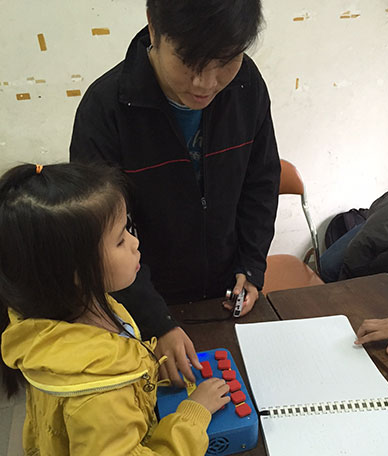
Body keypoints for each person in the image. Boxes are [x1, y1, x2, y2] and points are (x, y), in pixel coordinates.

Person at [0, 162, 230, 456]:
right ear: (75, 272)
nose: (135, 242)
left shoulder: (74, 312)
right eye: (121, 239)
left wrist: (148, 368)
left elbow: (115, 353)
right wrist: (194, 415)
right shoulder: (97, 400)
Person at [70, 0, 281, 387]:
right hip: (142, 301)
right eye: (188, 61)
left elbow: (261, 181)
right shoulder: (106, 108)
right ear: (153, 27)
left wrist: (251, 266)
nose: (206, 83)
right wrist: (156, 320)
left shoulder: (246, 86)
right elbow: (100, 234)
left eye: (224, 61)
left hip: (223, 293)